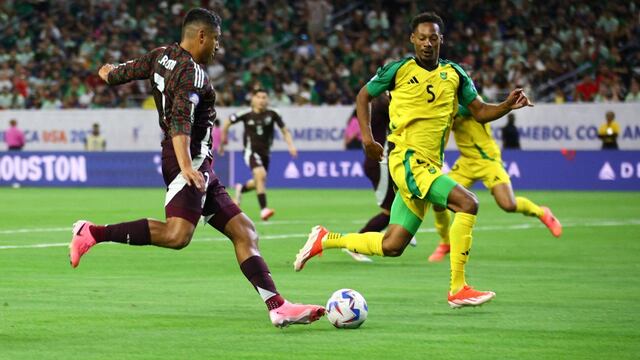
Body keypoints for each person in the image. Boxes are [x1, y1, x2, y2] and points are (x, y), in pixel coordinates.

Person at [68, 8, 324, 328]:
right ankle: (91, 232)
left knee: (244, 231)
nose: (217, 47)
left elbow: (127, 70)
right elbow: (180, 118)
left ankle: (278, 306)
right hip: (187, 161)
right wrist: (187, 166)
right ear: (201, 36)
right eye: (216, 40)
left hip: (194, 162)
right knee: (178, 235)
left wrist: (109, 73)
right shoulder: (194, 73)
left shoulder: (162, 55)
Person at [294, 12, 533, 308]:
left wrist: (507, 106)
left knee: (393, 245)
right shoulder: (398, 70)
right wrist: (368, 139)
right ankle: (458, 287)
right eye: (422, 38)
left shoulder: (455, 74)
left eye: (433, 38)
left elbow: (480, 111)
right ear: (412, 39)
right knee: (468, 202)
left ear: (441, 40)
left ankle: (325, 238)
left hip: (428, 165)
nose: (427, 43)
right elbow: (363, 96)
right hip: (407, 160)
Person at [427, 104, 562, 262]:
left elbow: (458, 110)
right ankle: (445, 242)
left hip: (488, 160)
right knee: (438, 200)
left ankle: (542, 212)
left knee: (508, 205)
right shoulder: (448, 103)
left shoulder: (470, 102)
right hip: (466, 162)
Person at [219, 89, 297, 221]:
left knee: (258, 181)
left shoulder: (273, 114)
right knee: (260, 175)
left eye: (264, 97)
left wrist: (291, 145)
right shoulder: (246, 113)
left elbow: (285, 130)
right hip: (251, 151)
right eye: (259, 97)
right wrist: (223, 141)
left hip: (266, 153)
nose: (262, 100)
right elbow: (226, 122)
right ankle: (264, 209)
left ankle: (240, 188)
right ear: (253, 99)